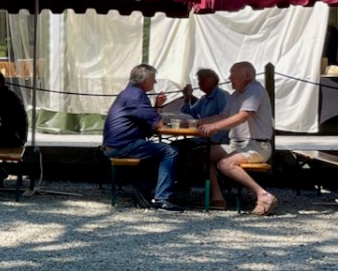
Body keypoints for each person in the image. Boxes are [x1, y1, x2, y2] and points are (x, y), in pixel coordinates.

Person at [200, 61, 278, 215]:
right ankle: (217, 197)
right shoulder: (235, 95)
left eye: (233, 75)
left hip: (257, 146)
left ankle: (264, 195)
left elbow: (243, 116)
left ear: (247, 76)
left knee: (225, 164)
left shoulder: (255, 90)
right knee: (203, 154)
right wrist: (200, 122)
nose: (229, 78)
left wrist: (214, 127)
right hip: (237, 145)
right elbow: (224, 116)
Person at [101, 64, 182, 212]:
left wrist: (158, 106)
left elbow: (148, 121)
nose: (155, 82)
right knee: (170, 151)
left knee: (157, 151)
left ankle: (143, 188)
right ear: (144, 81)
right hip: (122, 146)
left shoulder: (129, 93)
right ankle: (161, 198)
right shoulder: (137, 96)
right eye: (153, 78)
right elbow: (157, 124)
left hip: (114, 145)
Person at [180, 68, 230, 138]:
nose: (199, 84)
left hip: (215, 139)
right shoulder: (204, 99)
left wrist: (200, 123)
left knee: (180, 144)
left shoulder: (222, 96)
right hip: (204, 136)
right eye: (199, 81)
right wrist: (187, 98)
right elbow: (189, 115)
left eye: (202, 80)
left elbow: (225, 118)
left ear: (211, 80)